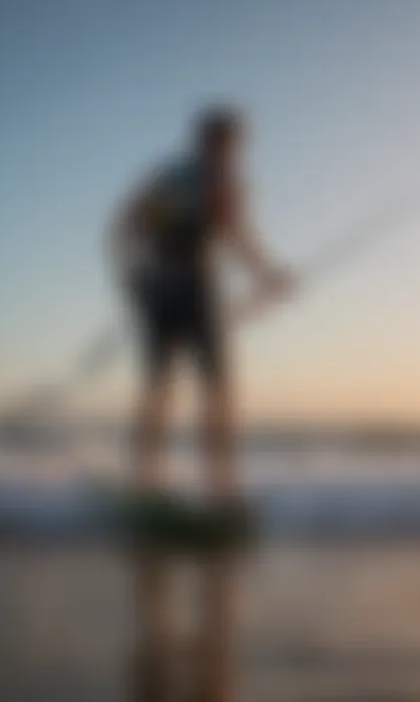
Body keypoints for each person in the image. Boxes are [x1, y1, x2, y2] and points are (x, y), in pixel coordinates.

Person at [110, 106, 294, 503]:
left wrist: (268, 276)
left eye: (232, 145)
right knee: (174, 387)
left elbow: (234, 237)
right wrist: (133, 281)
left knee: (204, 389)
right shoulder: (178, 181)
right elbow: (127, 225)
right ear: (207, 142)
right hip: (175, 289)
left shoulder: (200, 181)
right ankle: (152, 483)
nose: (228, 152)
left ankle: (217, 487)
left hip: (181, 287)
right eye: (224, 143)